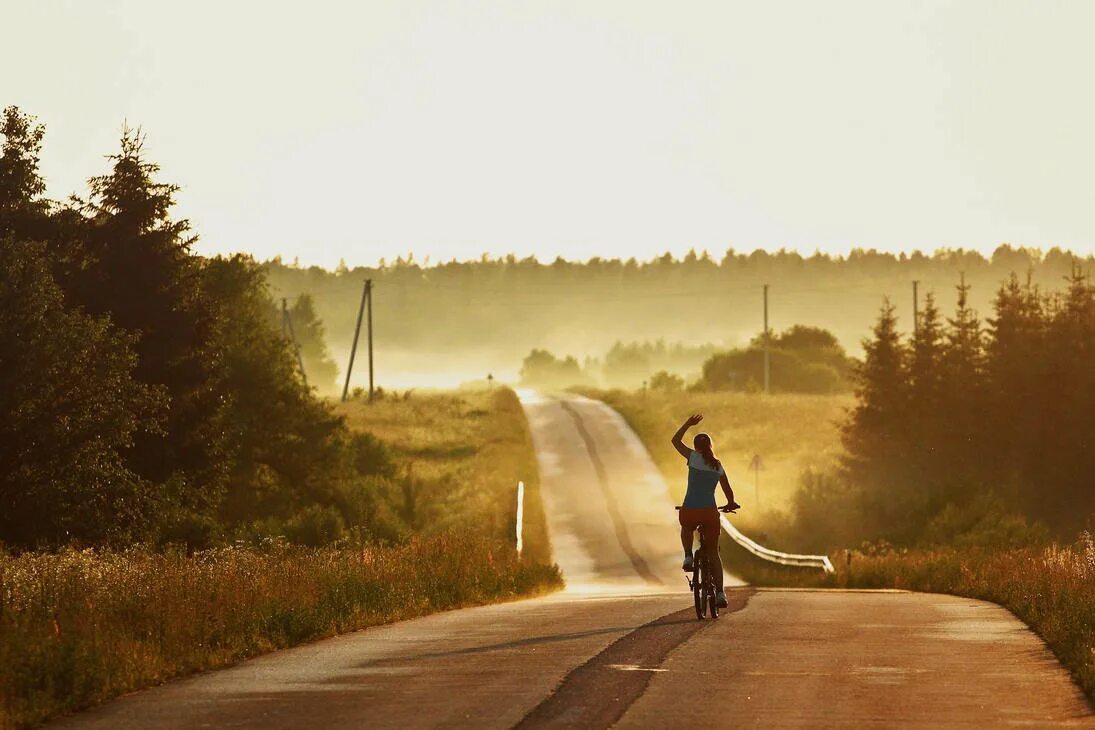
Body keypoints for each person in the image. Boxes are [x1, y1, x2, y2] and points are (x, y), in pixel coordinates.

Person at [671, 413, 740, 608]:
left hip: (690, 510)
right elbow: (728, 492)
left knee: (686, 526)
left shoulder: (692, 457)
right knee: (713, 553)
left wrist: (687, 423)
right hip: (709, 513)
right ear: (710, 446)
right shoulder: (718, 465)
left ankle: (688, 555)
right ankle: (719, 593)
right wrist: (731, 503)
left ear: (696, 447)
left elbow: (675, 441)